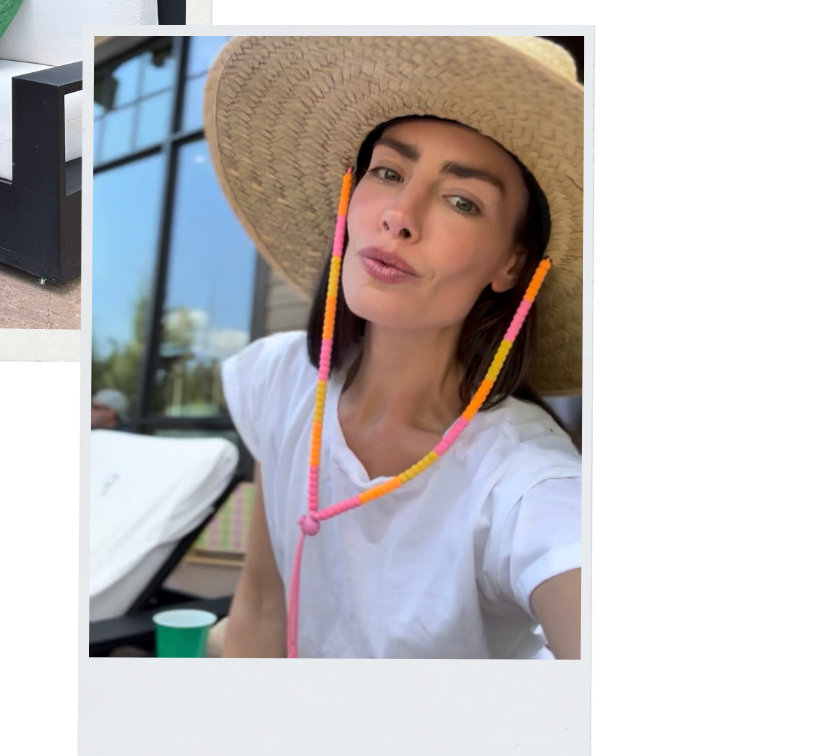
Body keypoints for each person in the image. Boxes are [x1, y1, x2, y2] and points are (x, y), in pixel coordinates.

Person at [204, 36, 584, 659]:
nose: (401, 215)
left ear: (513, 263)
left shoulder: (524, 478)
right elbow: (261, 615)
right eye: (388, 172)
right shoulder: (282, 383)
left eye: (462, 201)